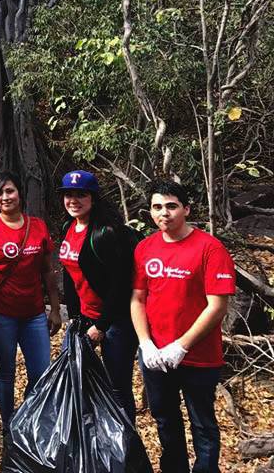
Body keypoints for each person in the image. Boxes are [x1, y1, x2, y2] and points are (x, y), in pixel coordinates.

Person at [131, 180, 234, 473]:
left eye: (172, 206)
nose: (164, 213)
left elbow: (217, 307)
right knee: (165, 419)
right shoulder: (144, 248)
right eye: (157, 207)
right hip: (155, 355)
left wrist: (181, 345)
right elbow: (137, 299)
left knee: (202, 423)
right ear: (150, 212)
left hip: (198, 356)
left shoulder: (210, 249)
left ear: (186, 209)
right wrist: (145, 342)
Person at [0, 170, 61, 433]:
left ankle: (31, 418)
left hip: (34, 313)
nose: (5, 197)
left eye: (9, 191)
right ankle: (9, 424)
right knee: (5, 373)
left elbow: (47, 270)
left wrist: (54, 309)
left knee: (40, 372)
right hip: (1, 314)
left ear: (20, 193)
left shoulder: (38, 226)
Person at [58, 169, 140, 422]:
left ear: (93, 198)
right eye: (68, 195)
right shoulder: (69, 227)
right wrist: (74, 317)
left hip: (116, 322)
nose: (74, 200)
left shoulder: (105, 232)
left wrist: (102, 325)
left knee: (117, 387)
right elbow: (70, 275)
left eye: (81, 195)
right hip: (85, 318)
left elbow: (120, 283)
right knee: (73, 377)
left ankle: (126, 448)